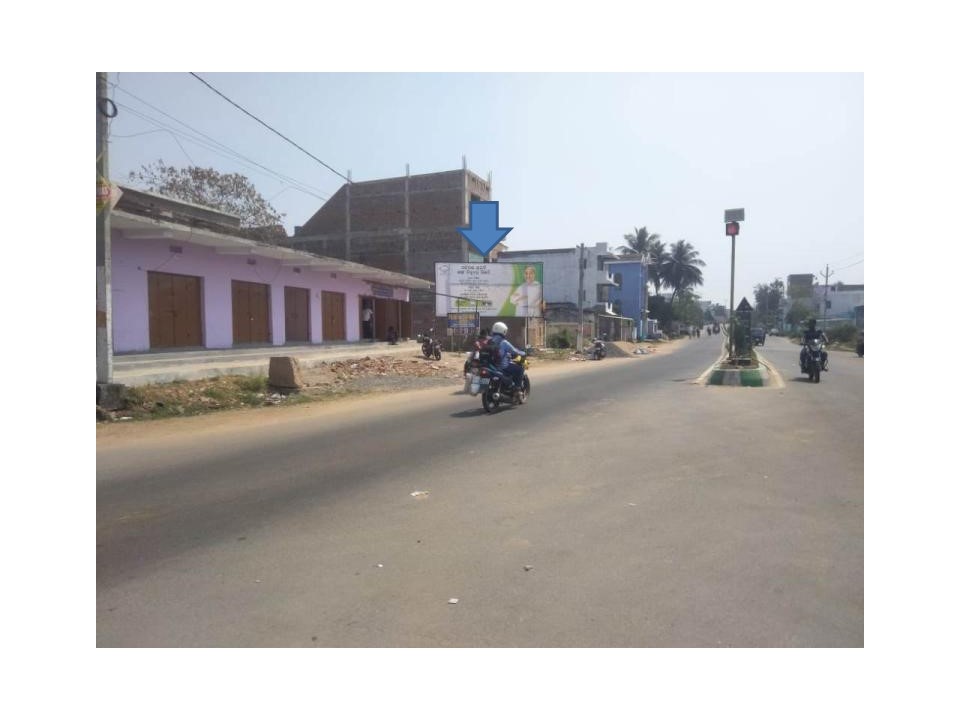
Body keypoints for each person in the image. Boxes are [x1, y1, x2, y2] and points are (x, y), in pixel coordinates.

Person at [488, 321, 526, 390]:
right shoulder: (504, 342)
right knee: (520, 369)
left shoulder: (489, 340)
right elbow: (514, 351)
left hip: (491, 366)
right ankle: (517, 387)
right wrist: (523, 353)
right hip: (503, 366)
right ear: (503, 331)